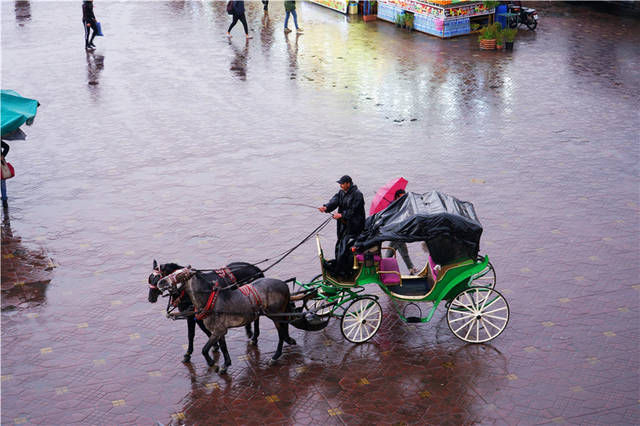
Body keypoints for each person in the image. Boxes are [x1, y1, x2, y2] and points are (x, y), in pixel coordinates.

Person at [318, 175, 365, 277]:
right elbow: (334, 201)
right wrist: (326, 207)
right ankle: (339, 266)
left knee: (344, 247)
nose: (340, 185)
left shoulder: (358, 195)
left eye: (342, 184)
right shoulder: (341, 193)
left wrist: (341, 215)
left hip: (354, 226)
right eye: (340, 184)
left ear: (348, 183)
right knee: (339, 245)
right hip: (343, 225)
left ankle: (342, 271)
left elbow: (354, 210)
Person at [384, 189, 417, 274]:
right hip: (396, 232)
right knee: (402, 250)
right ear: (397, 197)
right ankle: (411, 268)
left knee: (391, 251)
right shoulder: (392, 206)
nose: (404, 198)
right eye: (402, 196)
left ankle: (383, 267)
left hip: (400, 231)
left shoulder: (404, 205)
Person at [1, 141, 10, 208]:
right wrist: (2, 156)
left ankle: (4, 201)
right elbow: (7, 147)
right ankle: (4, 202)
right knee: (2, 182)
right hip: (1, 163)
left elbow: (7, 147)